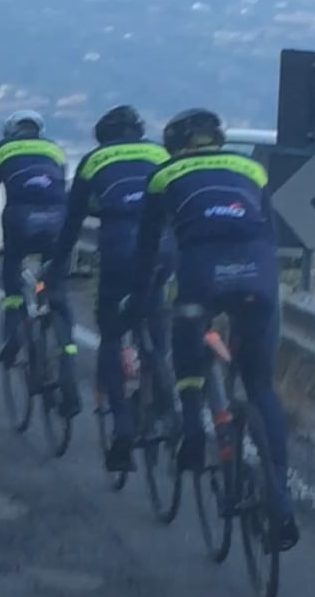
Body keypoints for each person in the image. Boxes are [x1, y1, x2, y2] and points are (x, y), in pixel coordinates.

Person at [125, 107, 299, 551]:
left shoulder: (163, 176)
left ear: (176, 145)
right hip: (259, 276)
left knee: (186, 342)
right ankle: (280, 504)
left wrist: (138, 299)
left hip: (201, 275)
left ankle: (192, 431)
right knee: (260, 387)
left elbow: (147, 250)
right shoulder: (252, 168)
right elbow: (270, 234)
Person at [47, 104, 176, 473]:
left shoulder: (94, 160)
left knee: (112, 335)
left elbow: (72, 224)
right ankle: (161, 383)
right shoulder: (160, 154)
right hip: (164, 250)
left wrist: (56, 268)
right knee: (153, 312)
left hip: (120, 252)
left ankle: (122, 428)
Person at [0, 109, 80, 415]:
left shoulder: (1, 150)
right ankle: (67, 355)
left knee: (11, 273)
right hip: (57, 222)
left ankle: (12, 333)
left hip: (20, 221)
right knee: (56, 291)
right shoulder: (55, 149)